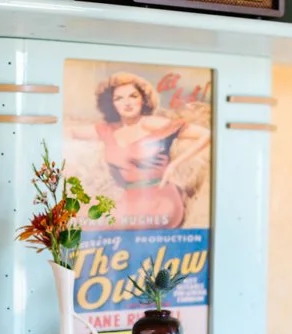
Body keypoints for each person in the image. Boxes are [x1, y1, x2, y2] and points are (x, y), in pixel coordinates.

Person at [69, 71, 210, 229]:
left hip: (161, 200)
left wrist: (174, 165)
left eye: (133, 96)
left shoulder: (152, 123)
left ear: (143, 100)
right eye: (119, 98)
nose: (127, 103)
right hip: (129, 201)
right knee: (82, 222)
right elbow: (70, 131)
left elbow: (206, 135)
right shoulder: (107, 130)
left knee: (115, 227)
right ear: (112, 104)